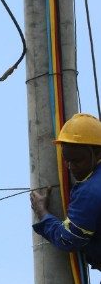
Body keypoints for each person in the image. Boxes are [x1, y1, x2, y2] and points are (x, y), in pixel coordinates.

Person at [30, 113, 101, 270]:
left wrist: (43, 213)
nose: (70, 167)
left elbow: (68, 239)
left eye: (77, 161)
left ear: (97, 153)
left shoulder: (90, 191)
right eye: (67, 160)